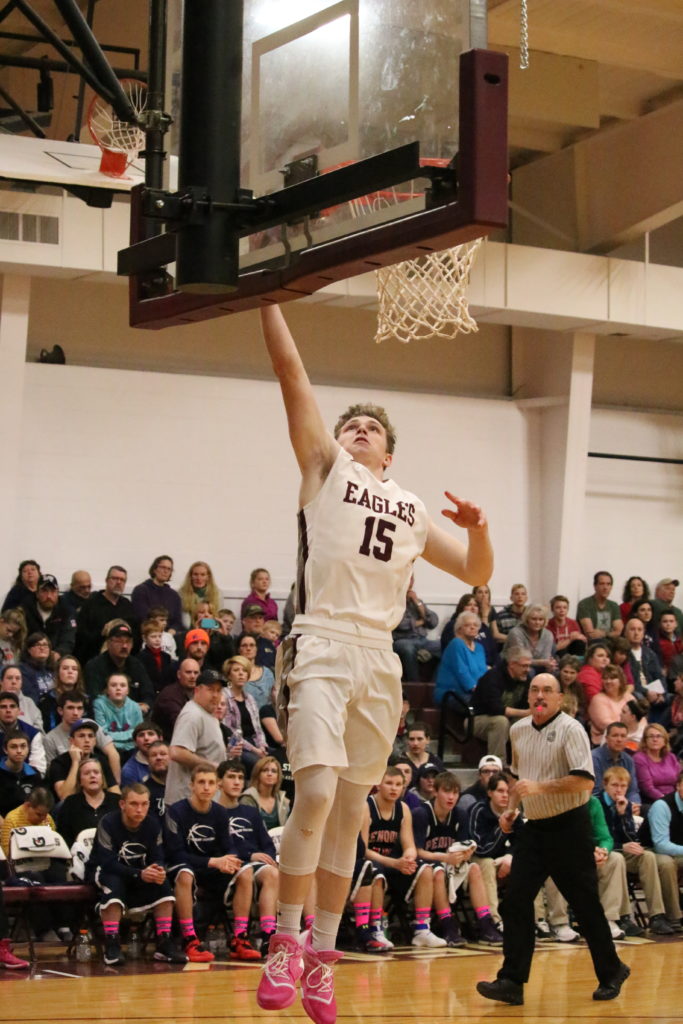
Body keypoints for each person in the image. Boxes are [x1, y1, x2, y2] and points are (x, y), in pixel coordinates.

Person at [256, 304, 492, 1023]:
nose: (358, 431)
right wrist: (267, 298)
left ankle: (322, 958)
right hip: (321, 642)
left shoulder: (412, 508)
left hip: (378, 660)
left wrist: (479, 528)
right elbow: (291, 375)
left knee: (349, 810)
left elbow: (477, 571)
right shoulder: (325, 470)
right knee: (318, 794)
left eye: (372, 430)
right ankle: (283, 942)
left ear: (389, 455)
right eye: (349, 425)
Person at [476, 673, 628, 1007]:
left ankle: (612, 970)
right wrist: (512, 809)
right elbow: (518, 778)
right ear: (527, 697)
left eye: (547, 690)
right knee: (516, 901)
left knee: (585, 905)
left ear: (560, 698)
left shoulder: (572, 729)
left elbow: (584, 783)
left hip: (570, 829)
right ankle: (511, 981)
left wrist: (541, 788)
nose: (539, 695)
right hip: (533, 828)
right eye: (534, 690)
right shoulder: (517, 730)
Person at [164, 763, 258, 962]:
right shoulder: (176, 812)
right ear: (191, 785)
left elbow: (229, 846)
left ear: (217, 786)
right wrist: (214, 862)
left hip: (211, 868)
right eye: (201, 782)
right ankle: (190, 939)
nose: (206, 787)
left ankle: (239, 938)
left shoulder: (220, 812)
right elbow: (176, 854)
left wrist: (230, 860)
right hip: (185, 867)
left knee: (246, 871)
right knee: (185, 874)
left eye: (211, 783)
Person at [87, 782, 186, 966]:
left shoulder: (153, 824)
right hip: (106, 871)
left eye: (144, 804)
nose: (140, 809)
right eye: (134, 804)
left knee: (163, 886)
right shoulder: (107, 823)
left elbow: (158, 856)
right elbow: (107, 863)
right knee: (113, 885)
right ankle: (112, 942)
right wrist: (139, 874)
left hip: (138, 872)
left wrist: (157, 869)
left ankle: (164, 942)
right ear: (122, 804)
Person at [412, 770, 502, 944]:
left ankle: (485, 923)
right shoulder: (421, 813)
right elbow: (417, 851)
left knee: (474, 868)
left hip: (449, 866)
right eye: (446, 791)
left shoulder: (460, 814)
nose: (451, 797)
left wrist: (466, 853)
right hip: (424, 868)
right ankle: (448, 925)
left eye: (455, 793)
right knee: (437, 871)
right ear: (436, 792)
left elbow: (463, 845)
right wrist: (445, 858)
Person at [362, 766, 446, 949]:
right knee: (375, 872)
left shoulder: (403, 809)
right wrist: (395, 862)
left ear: (404, 788)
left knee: (425, 869)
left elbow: (410, 845)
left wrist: (408, 858)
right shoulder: (366, 806)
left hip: (394, 863)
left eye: (398, 784)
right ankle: (376, 928)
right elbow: (363, 849)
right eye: (389, 783)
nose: (394, 788)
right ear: (378, 784)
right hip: (371, 861)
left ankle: (422, 929)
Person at [596, 765, 677, 935]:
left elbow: (631, 838)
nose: (619, 790)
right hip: (604, 852)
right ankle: (624, 917)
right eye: (615, 785)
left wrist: (622, 815)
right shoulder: (597, 803)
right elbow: (600, 836)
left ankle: (656, 915)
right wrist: (620, 846)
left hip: (621, 851)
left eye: (623, 786)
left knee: (647, 856)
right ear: (605, 785)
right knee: (619, 858)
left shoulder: (625, 805)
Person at [216, 759, 280, 955]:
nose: (236, 782)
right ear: (219, 782)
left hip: (254, 866)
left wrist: (267, 858)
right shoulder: (214, 811)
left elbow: (268, 845)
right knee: (246, 871)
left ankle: (269, 935)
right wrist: (250, 855)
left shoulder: (250, 812)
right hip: (229, 865)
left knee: (271, 873)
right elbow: (220, 847)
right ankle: (240, 935)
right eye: (231, 777)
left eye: (240, 778)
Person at [165, 668, 228, 805]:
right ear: (197, 690)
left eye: (219, 690)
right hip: (186, 803)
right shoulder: (192, 714)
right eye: (211, 689)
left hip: (202, 800)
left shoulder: (207, 714)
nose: (216, 695)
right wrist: (210, 766)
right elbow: (177, 752)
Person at [468, 772, 521, 929]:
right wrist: (502, 830)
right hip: (478, 860)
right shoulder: (478, 810)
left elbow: (523, 842)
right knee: (487, 863)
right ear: (490, 793)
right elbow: (481, 849)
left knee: (528, 863)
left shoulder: (515, 812)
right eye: (500, 791)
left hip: (504, 860)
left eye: (508, 792)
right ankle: (493, 920)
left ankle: (536, 920)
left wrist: (510, 856)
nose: (505, 795)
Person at [43, 691, 120, 784]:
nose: (75, 713)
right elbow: (52, 773)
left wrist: (115, 783)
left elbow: (113, 753)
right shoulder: (50, 738)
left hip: (94, 779)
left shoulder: (91, 726)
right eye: (70, 708)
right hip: (67, 782)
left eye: (79, 708)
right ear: (60, 710)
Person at [470, 646, 531, 762]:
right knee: (500, 721)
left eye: (529, 666)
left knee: (530, 720)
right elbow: (495, 708)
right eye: (524, 666)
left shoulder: (526, 679)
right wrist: (526, 712)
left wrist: (537, 710)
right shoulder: (493, 677)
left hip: (509, 718)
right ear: (512, 664)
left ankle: (523, 763)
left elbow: (533, 704)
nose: (528, 670)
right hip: (477, 719)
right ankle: (496, 765)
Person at [84, 621, 154, 711]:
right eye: (119, 641)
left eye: (128, 642)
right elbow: (94, 698)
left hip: (134, 716)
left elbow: (148, 693)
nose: (124, 646)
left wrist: (145, 705)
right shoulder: (94, 666)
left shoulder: (136, 664)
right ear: (109, 644)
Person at [75, 566, 137, 666]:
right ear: (107, 580)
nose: (118, 582)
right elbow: (81, 637)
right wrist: (103, 632)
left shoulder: (127, 606)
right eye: (115, 578)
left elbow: (136, 636)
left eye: (122, 580)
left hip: (123, 662)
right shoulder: (91, 604)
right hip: (95, 661)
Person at [56, 757, 120, 848]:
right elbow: (64, 838)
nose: (92, 776)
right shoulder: (70, 803)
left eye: (96, 772)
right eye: (87, 773)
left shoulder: (117, 801)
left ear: (102, 778)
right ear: (80, 781)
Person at [222, 655, 268, 770]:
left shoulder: (250, 698)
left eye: (244, 671)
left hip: (255, 743)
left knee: (279, 760)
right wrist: (255, 750)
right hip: (237, 746)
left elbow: (258, 728)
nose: (241, 674)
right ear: (229, 675)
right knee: (262, 766)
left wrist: (262, 746)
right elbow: (229, 731)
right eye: (236, 670)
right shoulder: (224, 696)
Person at [391, 575, 440, 681]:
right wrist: (422, 621)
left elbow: (433, 622)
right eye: (407, 578)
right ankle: (415, 685)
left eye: (411, 579)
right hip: (402, 640)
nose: (410, 582)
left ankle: (434, 683)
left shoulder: (417, 601)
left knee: (443, 645)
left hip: (422, 640)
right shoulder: (393, 601)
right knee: (408, 648)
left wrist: (417, 603)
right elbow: (401, 624)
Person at [434, 611, 487, 706]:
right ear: (459, 629)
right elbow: (461, 671)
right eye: (467, 625)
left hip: (474, 693)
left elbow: (483, 673)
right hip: (452, 693)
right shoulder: (456, 643)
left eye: (475, 625)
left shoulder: (479, 648)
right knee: (485, 704)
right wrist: (478, 691)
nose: (472, 627)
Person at [20, 574, 76, 662]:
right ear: (37, 593)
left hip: (56, 660)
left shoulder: (66, 611)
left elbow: (68, 641)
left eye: (53, 591)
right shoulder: (25, 610)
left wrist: (58, 653)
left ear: (58, 593)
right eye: (44, 591)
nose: (49, 596)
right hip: (29, 659)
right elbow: (20, 638)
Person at [92, 671, 144, 760]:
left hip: (131, 748)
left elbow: (139, 732)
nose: (118, 688)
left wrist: (112, 736)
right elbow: (102, 733)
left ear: (128, 690)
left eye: (122, 685)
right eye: (113, 685)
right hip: (108, 748)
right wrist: (129, 735)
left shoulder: (135, 706)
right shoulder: (99, 704)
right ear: (107, 690)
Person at [591, 722, 641, 807]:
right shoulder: (594, 758)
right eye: (615, 735)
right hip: (601, 805)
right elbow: (596, 790)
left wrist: (634, 804)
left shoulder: (629, 760)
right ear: (606, 738)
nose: (619, 740)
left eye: (623, 736)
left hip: (623, 803)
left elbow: (632, 790)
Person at [152, 657, 201, 741]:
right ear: (179, 674)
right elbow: (181, 725)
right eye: (188, 672)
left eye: (196, 673)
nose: (193, 676)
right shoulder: (169, 695)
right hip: (166, 744)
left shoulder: (199, 692)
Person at [131, 556, 183, 633]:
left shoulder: (174, 595)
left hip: (170, 636)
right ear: (155, 569)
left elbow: (178, 621)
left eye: (169, 569)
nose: (166, 571)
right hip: (148, 634)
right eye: (163, 567)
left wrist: (172, 630)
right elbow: (142, 618)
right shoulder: (141, 590)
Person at [633, 723, 681, 805]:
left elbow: (679, 780)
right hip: (652, 801)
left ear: (664, 740)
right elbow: (647, 788)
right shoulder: (639, 758)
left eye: (658, 736)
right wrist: (667, 801)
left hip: (674, 799)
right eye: (651, 736)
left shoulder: (671, 757)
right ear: (645, 740)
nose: (655, 739)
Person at [240, 755, 291, 829]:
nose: (269, 774)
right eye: (265, 770)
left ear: (278, 776)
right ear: (258, 774)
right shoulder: (248, 798)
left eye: (274, 771)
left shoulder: (283, 800)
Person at [503, 604, 557, 675]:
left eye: (541, 619)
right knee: (530, 672)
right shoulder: (516, 633)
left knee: (555, 672)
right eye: (534, 619)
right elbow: (521, 659)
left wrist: (550, 666)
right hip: (515, 664)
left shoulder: (548, 634)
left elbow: (546, 658)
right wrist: (543, 662)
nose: (537, 622)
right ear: (527, 619)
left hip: (539, 666)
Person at [0, 690, 45, 772]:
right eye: (3, 707)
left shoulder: (33, 734)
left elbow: (39, 768)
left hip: (25, 780)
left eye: (12, 706)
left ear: (19, 711)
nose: (8, 710)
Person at [0, 730, 42, 817]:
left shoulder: (35, 774)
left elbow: (39, 804)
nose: (19, 751)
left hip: (28, 822)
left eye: (23, 746)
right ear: (5, 749)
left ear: (28, 748)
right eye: (13, 747)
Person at [587, 665, 631, 746]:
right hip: (605, 743)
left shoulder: (628, 697)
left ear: (621, 681)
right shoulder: (597, 699)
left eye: (612, 678)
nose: (608, 681)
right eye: (605, 678)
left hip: (630, 738)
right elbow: (605, 724)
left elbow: (641, 720)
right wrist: (631, 728)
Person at [577, 572, 623, 641]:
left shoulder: (614, 605)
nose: (605, 587)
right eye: (602, 584)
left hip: (611, 645)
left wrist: (604, 634)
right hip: (592, 646)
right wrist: (611, 633)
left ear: (611, 587)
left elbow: (618, 632)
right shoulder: (584, 604)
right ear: (595, 586)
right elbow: (591, 635)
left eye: (608, 584)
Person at [237, 635, 275, 710]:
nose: (248, 648)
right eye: (244, 645)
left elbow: (274, 699)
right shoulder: (235, 673)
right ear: (239, 650)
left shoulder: (267, 673)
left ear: (256, 649)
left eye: (252, 645)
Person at [178, 562, 222, 628]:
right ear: (190, 576)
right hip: (188, 631)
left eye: (203, 574)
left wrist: (202, 625)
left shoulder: (217, 594)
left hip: (211, 631)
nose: (199, 578)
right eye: (195, 574)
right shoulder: (182, 593)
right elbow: (185, 623)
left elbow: (218, 623)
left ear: (208, 577)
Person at [1, 663, 42, 732]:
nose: (14, 682)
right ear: (1, 682)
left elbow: (39, 733)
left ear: (21, 682)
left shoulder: (29, 704)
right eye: (9, 678)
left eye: (17, 678)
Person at [120, 721, 164, 786]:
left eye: (150, 734)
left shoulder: (173, 760)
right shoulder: (129, 770)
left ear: (160, 738)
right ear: (135, 742)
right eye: (141, 735)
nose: (146, 738)